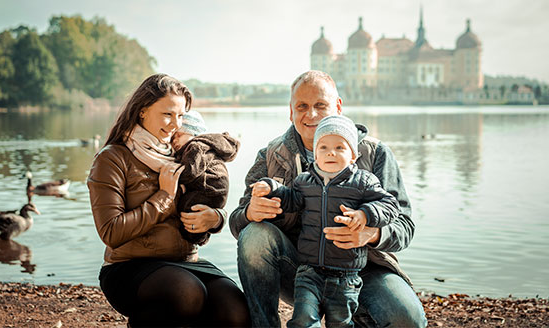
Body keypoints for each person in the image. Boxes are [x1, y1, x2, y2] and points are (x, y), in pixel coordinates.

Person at [230, 70, 427, 327]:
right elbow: (236, 223)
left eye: (320, 105)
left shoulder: (375, 153)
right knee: (254, 235)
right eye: (302, 106)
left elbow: (405, 226)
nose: (311, 114)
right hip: (300, 270)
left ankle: (356, 313)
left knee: (407, 319)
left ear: (338, 107)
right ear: (291, 112)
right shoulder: (270, 155)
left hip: (362, 269)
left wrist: (371, 233)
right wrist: (249, 214)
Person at [88, 74, 250, 328]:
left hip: (186, 262)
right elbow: (111, 232)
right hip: (129, 267)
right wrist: (164, 197)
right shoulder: (112, 158)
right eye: (167, 114)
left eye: (181, 116)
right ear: (142, 111)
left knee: (236, 310)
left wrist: (215, 218)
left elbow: (210, 196)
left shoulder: (184, 153)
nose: (176, 124)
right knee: (187, 294)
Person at [251, 115, 400, 327]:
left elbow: (390, 205)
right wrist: (272, 187)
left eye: (340, 147)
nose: (331, 152)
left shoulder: (363, 182)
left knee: (340, 322)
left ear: (353, 156)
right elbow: (291, 199)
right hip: (309, 271)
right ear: (315, 155)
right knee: (303, 319)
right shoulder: (304, 181)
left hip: (346, 274)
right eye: (323, 147)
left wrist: (365, 214)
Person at [170, 110, 240, 245]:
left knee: (189, 211)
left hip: (209, 188)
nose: (175, 141)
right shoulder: (205, 148)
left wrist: (174, 177)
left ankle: (195, 238)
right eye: (173, 138)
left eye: (179, 135)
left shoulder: (196, 147)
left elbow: (190, 171)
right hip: (214, 191)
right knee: (192, 212)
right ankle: (198, 238)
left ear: (194, 134)